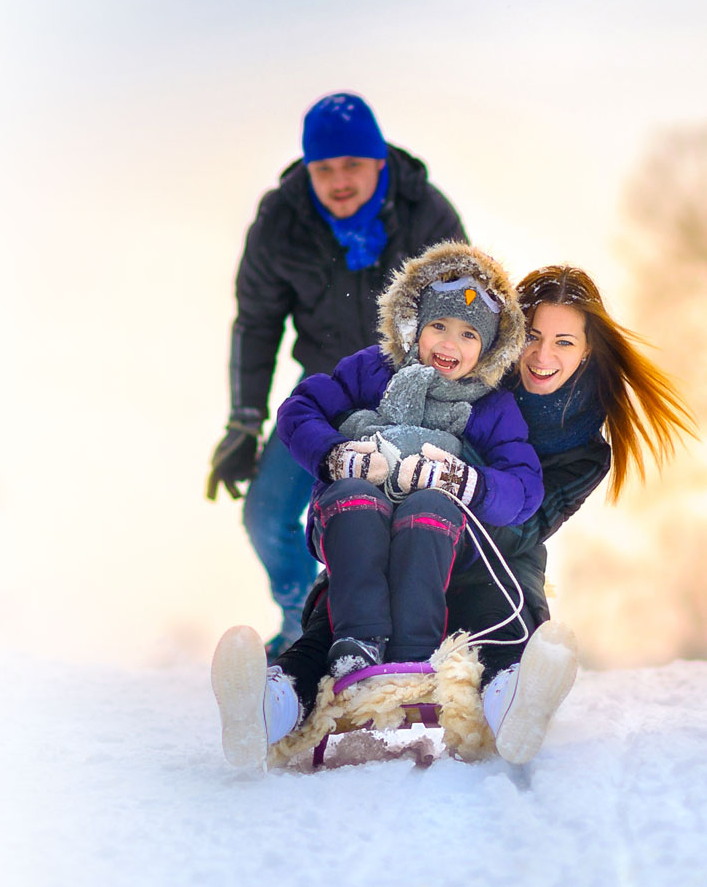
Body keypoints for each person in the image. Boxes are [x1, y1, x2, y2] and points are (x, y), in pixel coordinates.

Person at [211, 264, 696, 768]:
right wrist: (344, 463)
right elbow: (313, 405)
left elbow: (525, 519)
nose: (543, 355)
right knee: (338, 616)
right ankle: (269, 705)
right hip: (392, 525)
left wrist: (459, 489)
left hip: (490, 552)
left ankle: (515, 705)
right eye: (531, 336)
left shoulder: (579, 447)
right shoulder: (469, 367)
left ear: (588, 350)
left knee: (500, 625)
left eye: (565, 342)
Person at [212, 240, 546, 766]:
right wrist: (334, 454)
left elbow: (524, 487)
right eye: (438, 326)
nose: (449, 344)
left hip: (437, 540)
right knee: (354, 495)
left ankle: (414, 655)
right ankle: (321, 670)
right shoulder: (373, 369)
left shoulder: (491, 406)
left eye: (468, 334)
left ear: (489, 349)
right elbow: (302, 408)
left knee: (427, 505)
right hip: (351, 524)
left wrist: (467, 482)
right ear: (414, 323)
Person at [206, 92, 467, 659]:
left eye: (352, 164)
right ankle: (305, 616)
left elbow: (468, 311)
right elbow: (256, 323)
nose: (339, 181)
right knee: (266, 515)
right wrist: (244, 420)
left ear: (378, 161)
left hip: (413, 394)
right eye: (324, 169)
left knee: (408, 514)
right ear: (307, 170)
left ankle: (424, 633)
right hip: (326, 395)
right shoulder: (281, 221)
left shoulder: (426, 213)